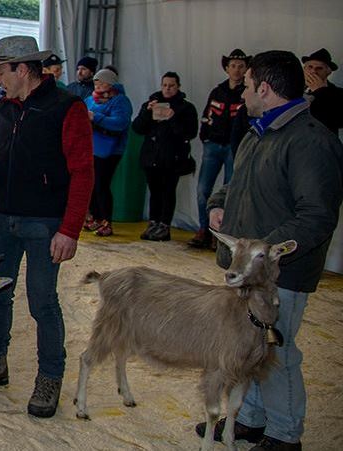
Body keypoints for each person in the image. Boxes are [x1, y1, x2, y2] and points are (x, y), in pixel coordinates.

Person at [200, 50, 343, 451]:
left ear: (264, 88)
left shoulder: (312, 142)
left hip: (281, 275)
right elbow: (236, 182)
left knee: (277, 352)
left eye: (246, 86)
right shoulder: (257, 133)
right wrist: (218, 201)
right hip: (249, 270)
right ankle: (250, 418)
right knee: (249, 348)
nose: (242, 93)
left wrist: (263, 254)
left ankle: (284, 433)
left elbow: (316, 215)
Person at [0, 36, 93, 420]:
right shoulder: (3, 107)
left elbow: (83, 173)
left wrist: (70, 229)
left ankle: (50, 376)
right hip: (3, 217)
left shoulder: (67, 108)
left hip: (45, 223)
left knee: (43, 302)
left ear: (22, 69)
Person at [191, 49, 251, 249]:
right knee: (203, 190)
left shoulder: (246, 93)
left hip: (234, 149)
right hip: (213, 145)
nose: (236, 70)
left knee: (229, 192)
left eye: (241, 66)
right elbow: (207, 115)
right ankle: (203, 228)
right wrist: (205, 136)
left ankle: (221, 233)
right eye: (233, 65)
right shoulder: (217, 91)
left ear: (245, 69)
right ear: (227, 68)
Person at [131, 71, 199, 242]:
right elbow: (138, 128)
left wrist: (172, 118)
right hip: (152, 156)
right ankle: (153, 222)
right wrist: (147, 113)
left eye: (172, 86)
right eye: (165, 85)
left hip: (173, 158)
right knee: (154, 191)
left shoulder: (186, 108)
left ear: (178, 87)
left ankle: (165, 225)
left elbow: (190, 133)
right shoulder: (151, 103)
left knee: (168, 191)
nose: (168, 89)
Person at [83, 68, 132, 237]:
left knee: (102, 184)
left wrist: (96, 118)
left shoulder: (120, 101)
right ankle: (95, 216)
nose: (98, 85)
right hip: (91, 147)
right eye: (96, 81)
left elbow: (120, 123)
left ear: (111, 84)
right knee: (92, 184)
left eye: (102, 82)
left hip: (110, 150)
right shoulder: (90, 100)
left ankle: (106, 220)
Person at [302, 48, 342, 134]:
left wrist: (322, 92)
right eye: (310, 67)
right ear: (304, 69)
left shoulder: (337, 93)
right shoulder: (292, 89)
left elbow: (338, 120)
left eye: (319, 68)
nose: (313, 72)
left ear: (328, 72)